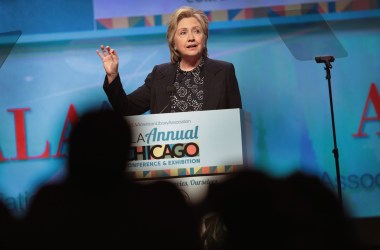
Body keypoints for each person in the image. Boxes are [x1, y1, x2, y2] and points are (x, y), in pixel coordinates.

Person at [96, 6, 242, 115]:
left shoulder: (224, 71)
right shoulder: (159, 75)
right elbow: (126, 109)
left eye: (197, 31)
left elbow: (236, 122)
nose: (191, 37)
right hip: (169, 153)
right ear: (173, 43)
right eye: (183, 33)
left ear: (204, 38)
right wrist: (112, 76)